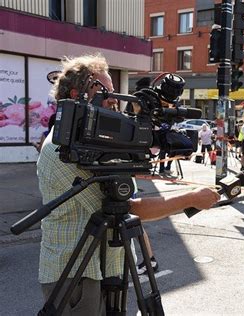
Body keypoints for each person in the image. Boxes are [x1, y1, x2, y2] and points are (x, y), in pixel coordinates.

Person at [37, 53, 220, 315]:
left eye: (113, 92)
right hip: (76, 271)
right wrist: (190, 199)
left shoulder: (92, 141)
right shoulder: (64, 147)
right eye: (103, 91)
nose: (113, 100)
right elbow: (124, 210)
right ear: (76, 94)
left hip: (110, 266)